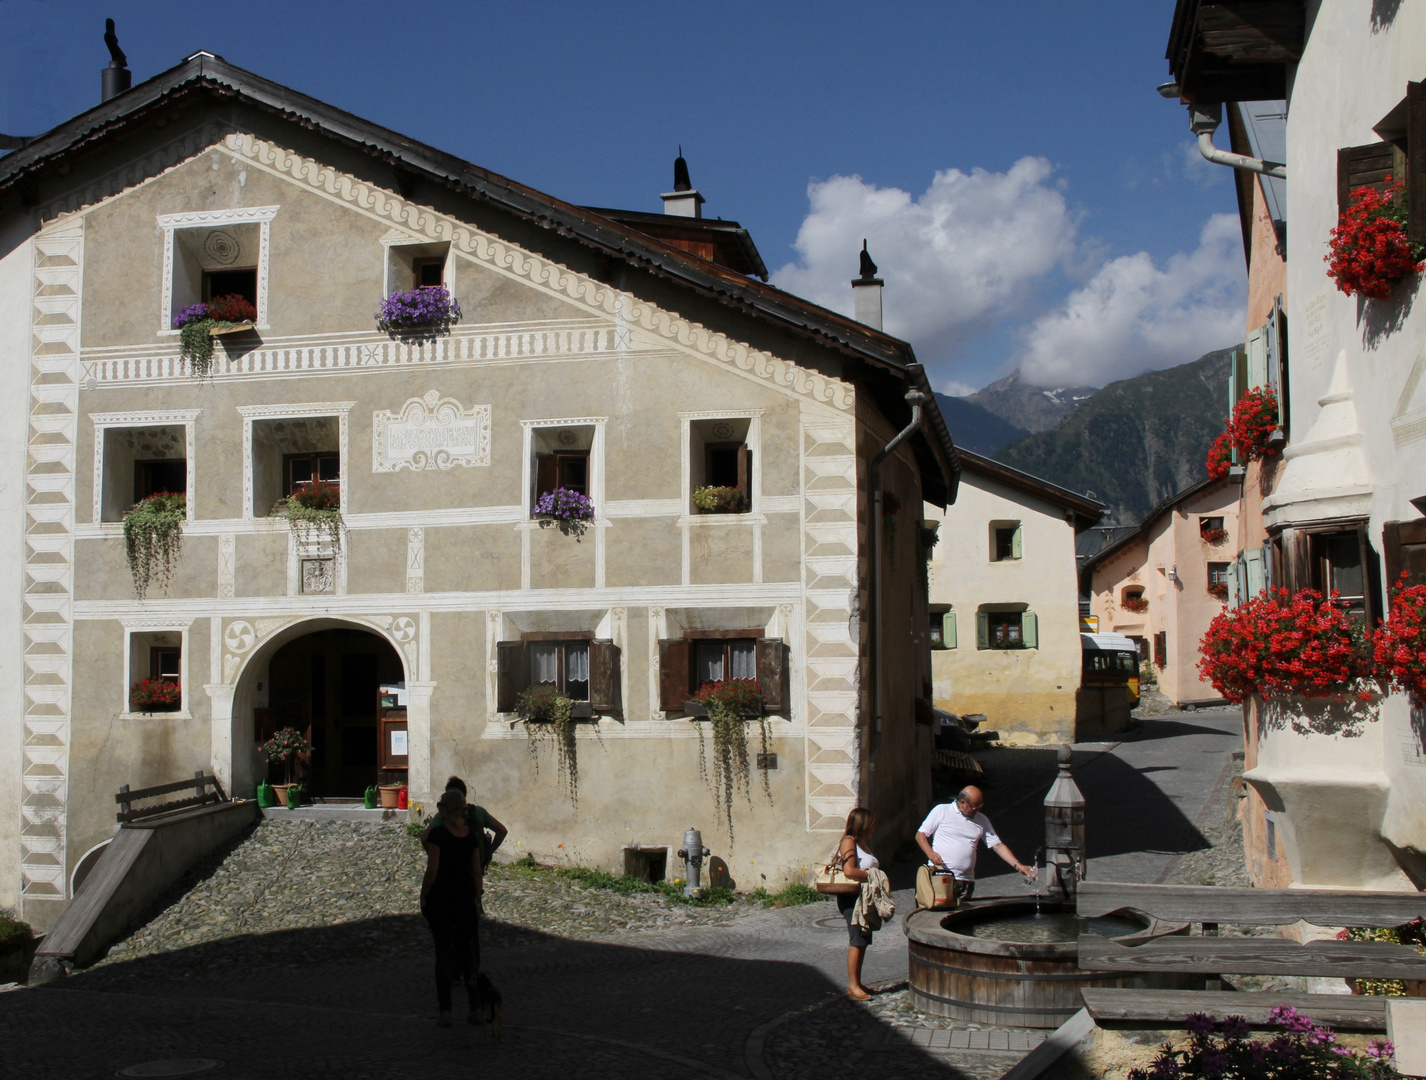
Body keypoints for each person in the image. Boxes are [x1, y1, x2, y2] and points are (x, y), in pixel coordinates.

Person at [421, 787, 484, 1027]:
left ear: (446, 809)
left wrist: (423, 894)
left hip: (442, 900)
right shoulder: (469, 836)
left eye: (440, 806)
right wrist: (477, 900)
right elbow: (476, 871)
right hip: (465, 900)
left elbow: (433, 869)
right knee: (467, 954)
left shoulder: (438, 835)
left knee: (443, 954)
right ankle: (475, 1007)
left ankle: (445, 1010)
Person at [915, 785, 1035, 901]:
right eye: (974, 806)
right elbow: (920, 835)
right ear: (962, 802)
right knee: (936, 915)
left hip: (965, 882)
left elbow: (997, 846)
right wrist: (930, 853)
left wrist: (1019, 866)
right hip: (940, 877)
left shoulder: (981, 819)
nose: (978, 809)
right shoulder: (942, 810)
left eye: (980, 805)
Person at [834, 806, 880, 1000]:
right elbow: (850, 871)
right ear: (862, 825)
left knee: (863, 939)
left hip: (864, 896)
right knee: (857, 939)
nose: (873, 828)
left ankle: (858, 982)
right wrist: (873, 876)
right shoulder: (849, 842)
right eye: (870, 825)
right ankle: (853, 985)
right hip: (852, 898)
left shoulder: (863, 844)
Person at [423, 776, 508, 868]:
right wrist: (488, 853)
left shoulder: (443, 815)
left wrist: (435, 856)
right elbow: (502, 831)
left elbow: (424, 838)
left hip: (449, 867)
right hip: (474, 867)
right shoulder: (478, 812)